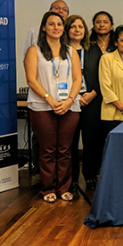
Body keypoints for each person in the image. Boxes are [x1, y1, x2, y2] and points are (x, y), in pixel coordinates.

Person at [24, 11, 81, 203]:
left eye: (59, 24)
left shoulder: (71, 51)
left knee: (65, 150)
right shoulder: (35, 50)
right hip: (42, 106)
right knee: (47, 150)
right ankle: (47, 188)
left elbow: (77, 79)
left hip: (69, 106)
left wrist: (69, 100)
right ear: (43, 27)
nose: (56, 27)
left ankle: (64, 187)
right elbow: (31, 80)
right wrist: (49, 99)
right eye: (51, 24)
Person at [64, 15, 103, 192]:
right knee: (70, 142)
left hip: (92, 101)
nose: (77, 30)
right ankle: (70, 180)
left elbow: (101, 75)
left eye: (81, 26)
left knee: (91, 142)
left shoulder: (94, 50)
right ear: (67, 30)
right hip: (68, 101)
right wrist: (73, 97)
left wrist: (93, 93)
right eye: (73, 26)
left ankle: (90, 177)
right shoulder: (60, 51)